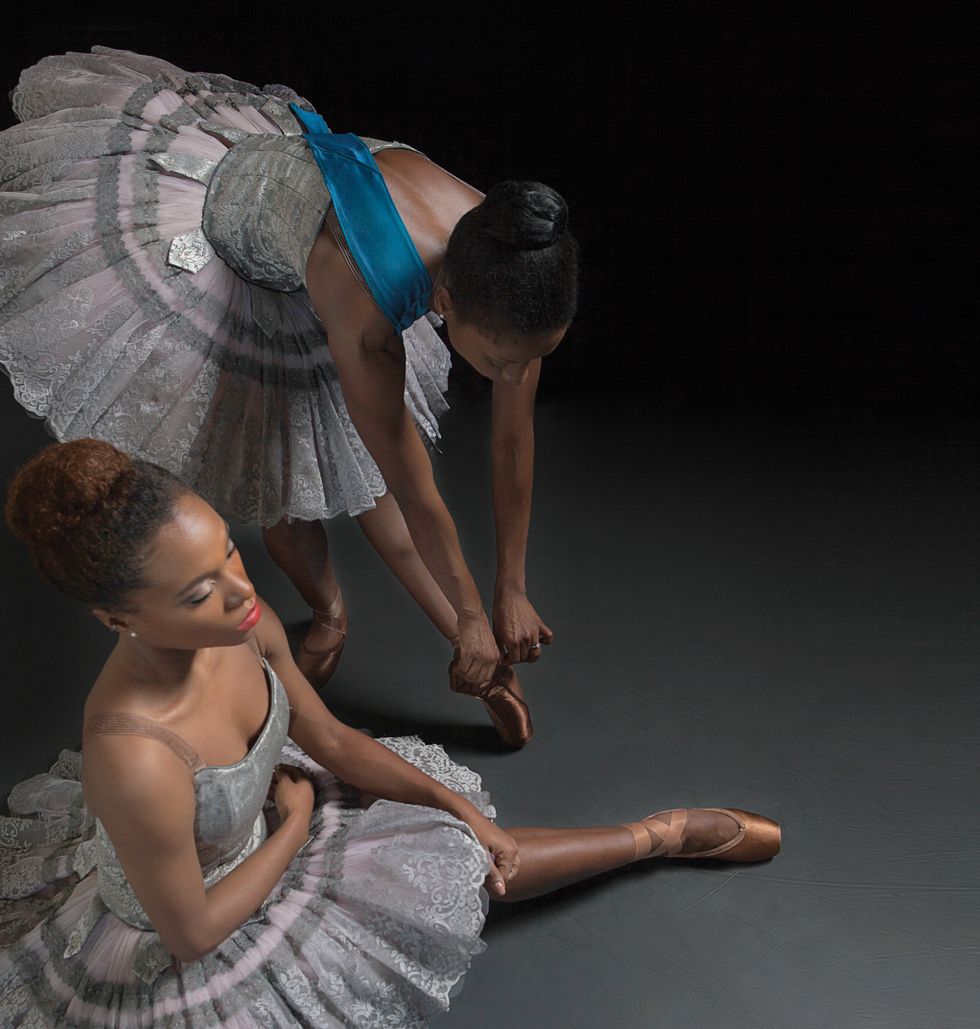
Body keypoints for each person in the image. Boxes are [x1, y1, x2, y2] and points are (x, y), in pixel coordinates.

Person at [0, 439, 781, 1027]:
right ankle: (652, 837)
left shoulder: (243, 623)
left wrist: (463, 810)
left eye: (230, 550)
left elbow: (333, 742)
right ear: (117, 618)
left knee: (463, 850)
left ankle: (656, 834)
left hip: (260, 819)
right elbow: (193, 930)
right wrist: (296, 823)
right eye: (201, 591)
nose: (243, 592)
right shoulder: (133, 757)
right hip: (193, 914)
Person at [0, 46, 579, 746]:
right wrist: (467, 621)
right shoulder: (369, 313)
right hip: (244, 235)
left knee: (350, 472)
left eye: (534, 358)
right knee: (285, 485)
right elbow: (408, 493)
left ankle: (468, 654)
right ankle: (329, 608)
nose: (514, 376)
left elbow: (514, 438)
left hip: (329, 235)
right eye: (498, 362)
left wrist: (509, 587)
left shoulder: (512, 259)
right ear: (446, 301)